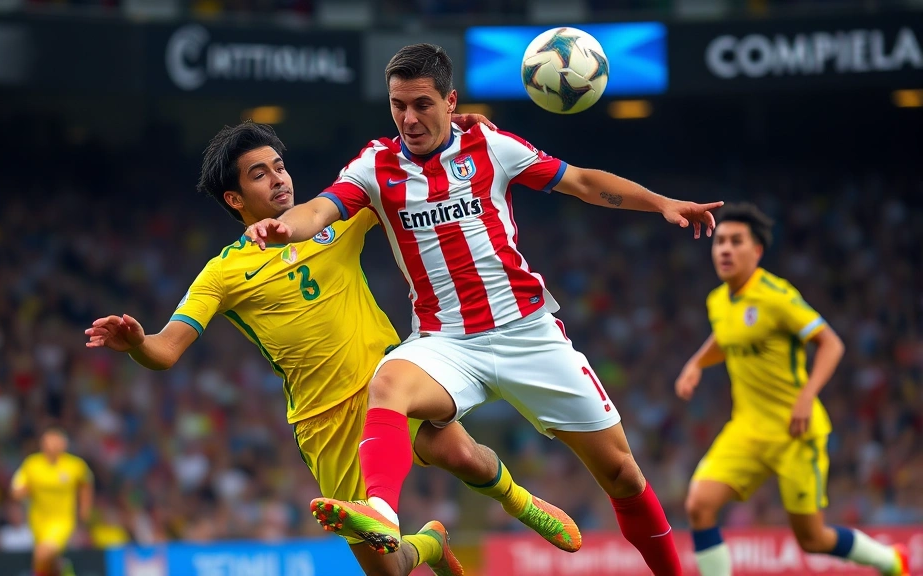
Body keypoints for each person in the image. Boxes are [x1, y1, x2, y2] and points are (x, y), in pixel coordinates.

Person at [244, 42, 722, 576]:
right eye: (398, 105)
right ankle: (380, 509)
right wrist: (287, 227)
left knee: (622, 475)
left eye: (422, 104)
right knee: (389, 383)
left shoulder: (490, 145)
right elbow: (320, 209)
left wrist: (662, 202)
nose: (408, 117)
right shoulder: (375, 166)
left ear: (450, 101)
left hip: (527, 331)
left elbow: (583, 181)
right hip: (445, 342)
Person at [85, 120, 582, 576]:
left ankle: (521, 504)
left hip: (390, 381)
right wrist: (136, 343)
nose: (279, 179)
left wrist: (454, 131)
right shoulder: (222, 274)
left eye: (279, 166)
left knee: (462, 455)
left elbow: (398, 179)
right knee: (387, 570)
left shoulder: (336, 219)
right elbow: (166, 351)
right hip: (323, 422)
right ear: (235, 200)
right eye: (260, 175)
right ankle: (430, 544)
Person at [674, 203, 911, 576]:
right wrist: (696, 364)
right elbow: (726, 335)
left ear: (757, 252)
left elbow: (831, 343)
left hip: (794, 431)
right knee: (699, 504)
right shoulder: (717, 300)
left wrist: (807, 396)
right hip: (747, 429)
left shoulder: (776, 296)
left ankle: (890, 560)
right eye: (719, 241)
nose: (725, 250)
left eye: (736, 242)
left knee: (812, 539)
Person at [11, 427, 93, 576]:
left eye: (56, 441)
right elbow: (16, 489)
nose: (52, 445)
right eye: (49, 441)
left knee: (41, 554)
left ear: (64, 444)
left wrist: (84, 508)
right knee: (50, 562)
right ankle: (65, 570)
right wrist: (23, 491)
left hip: (62, 520)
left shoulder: (75, 465)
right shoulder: (32, 464)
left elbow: (86, 484)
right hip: (38, 520)